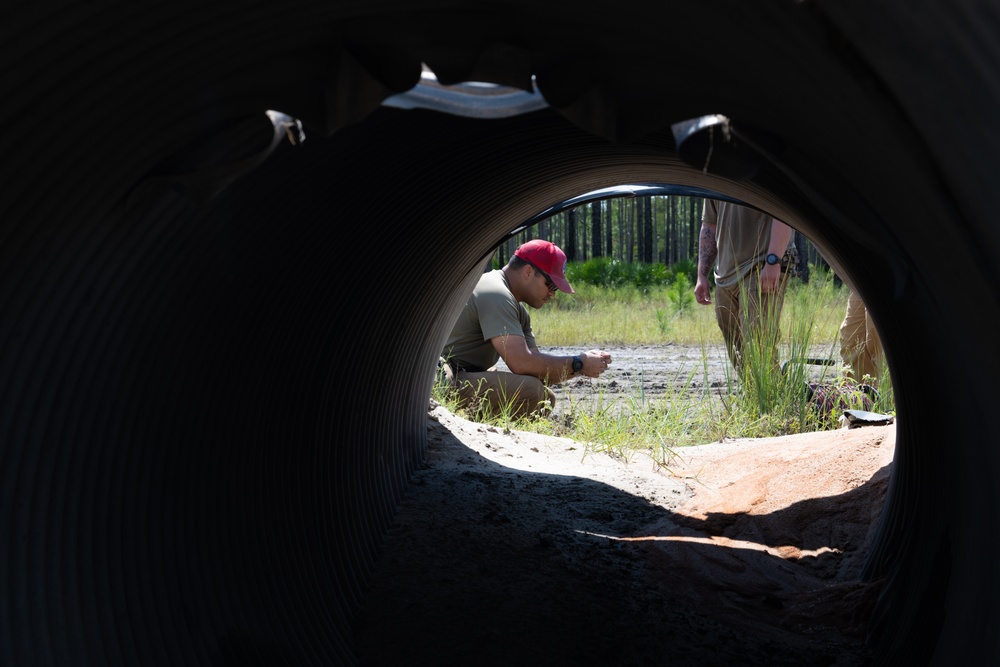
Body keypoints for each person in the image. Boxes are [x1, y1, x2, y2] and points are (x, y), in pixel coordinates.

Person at [442, 239, 612, 419]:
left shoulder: (517, 309)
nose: (553, 293)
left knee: (545, 399)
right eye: (551, 285)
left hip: (464, 374)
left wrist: (581, 366)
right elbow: (521, 363)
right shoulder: (495, 292)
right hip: (440, 377)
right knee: (531, 391)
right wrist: (579, 363)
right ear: (528, 272)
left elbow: (537, 371)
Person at [694, 200, 795, 375]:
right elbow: (709, 225)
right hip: (725, 274)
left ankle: (771, 399)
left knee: (758, 344)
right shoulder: (712, 175)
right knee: (737, 348)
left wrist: (773, 260)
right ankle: (758, 396)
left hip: (761, 265)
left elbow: (784, 209)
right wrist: (702, 274)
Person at [839, 288, 884, 388]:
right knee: (851, 339)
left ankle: (893, 400)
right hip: (860, 281)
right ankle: (858, 398)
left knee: (877, 341)